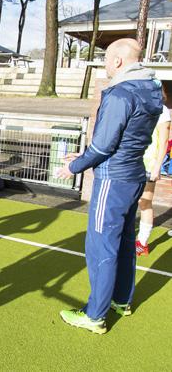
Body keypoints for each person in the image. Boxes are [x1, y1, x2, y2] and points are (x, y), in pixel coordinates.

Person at [56, 38, 163, 334]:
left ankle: (95, 315)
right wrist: (86, 154)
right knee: (126, 242)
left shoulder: (120, 93)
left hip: (112, 180)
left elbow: (104, 146)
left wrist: (74, 166)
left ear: (117, 61)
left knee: (102, 246)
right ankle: (121, 301)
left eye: (105, 59)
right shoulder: (151, 89)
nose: (104, 65)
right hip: (133, 175)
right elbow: (122, 140)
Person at [135, 104, 170, 256]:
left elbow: (163, 141)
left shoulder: (161, 111)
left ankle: (142, 243)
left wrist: (157, 166)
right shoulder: (136, 103)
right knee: (127, 201)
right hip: (131, 161)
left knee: (144, 201)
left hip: (148, 164)